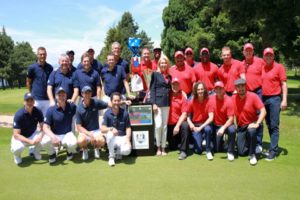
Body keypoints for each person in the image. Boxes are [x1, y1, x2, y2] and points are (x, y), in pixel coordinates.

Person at [232, 79, 266, 166]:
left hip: (252, 124)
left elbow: (263, 111)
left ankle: (252, 155)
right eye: (238, 87)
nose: (241, 88)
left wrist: (257, 123)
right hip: (241, 126)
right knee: (241, 152)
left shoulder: (253, 96)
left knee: (251, 131)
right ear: (236, 88)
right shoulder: (233, 98)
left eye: (242, 86)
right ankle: (251, 144)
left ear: (245, 86)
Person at [262, 47, 288, 161]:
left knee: (274, 125)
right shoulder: (262, 67)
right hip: (263, 99)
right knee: (268, 124)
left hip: (275, 99)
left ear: (273, 56)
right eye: (266, 55)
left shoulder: (279, 67)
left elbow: (284, 84)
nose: (268, 57)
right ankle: (272, 147)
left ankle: (273, 151)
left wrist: (284, 100)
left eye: (270, 55)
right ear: (263, 56)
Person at [42, 87, 77, 164]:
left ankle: (69, 151)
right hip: (55, 134)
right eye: (59, 95)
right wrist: (53, 137)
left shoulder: (71, 106)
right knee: (44, 142)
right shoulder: (51, 110)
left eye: (63, 95)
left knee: (73, 143)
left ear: (66, 96)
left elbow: (81, 110)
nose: (61, 97)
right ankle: (52, 154)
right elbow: (45, 127)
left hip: (67, 134)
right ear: (56, 96)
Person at [242, 43, 265, 154]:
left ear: (253, 51)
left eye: (250, 50)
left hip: (258, 91)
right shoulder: (241, 64)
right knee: (246, 116)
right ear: (243, 52)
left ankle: (258, 144)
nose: (248, 52)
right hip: (247, 93)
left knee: (258, 116)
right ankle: (248, 140)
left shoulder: (260, 61)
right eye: (246, 50)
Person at [11, 93, 44, 165]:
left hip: (32, 134)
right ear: (24, 102)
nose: (29, 103)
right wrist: (30, 141)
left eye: (31, 100)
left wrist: (40, 136)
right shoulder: (19, 114)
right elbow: (16, 135)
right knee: (17, 148)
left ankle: (36, 152)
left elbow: (43, 127)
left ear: (34, 102)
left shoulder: (38, 111)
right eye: (27, 101)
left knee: (45, 139)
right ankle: (17, 155)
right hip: (20, 137)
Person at [76, 86, 108, 160]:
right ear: (82, 94)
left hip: (96, 130)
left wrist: (122, 102)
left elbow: (109, 104)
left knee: (102, 141)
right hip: (85, 131)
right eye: (85, 93)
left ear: (91, 94)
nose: (87, 94)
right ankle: (84, 149)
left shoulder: (96, 102)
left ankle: (96, 147)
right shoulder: (79, 108)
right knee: (80, 141)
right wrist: (89, 134)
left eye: (89, 93)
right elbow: (79, 127)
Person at [149, 55, 172, 156]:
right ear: (159, 64)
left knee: (164, 126)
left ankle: (163, 147)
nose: (163, 64)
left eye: (165, 63)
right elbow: (152, 89)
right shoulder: (155, 74)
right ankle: (158, 146)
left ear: (167, 64)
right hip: (157, 103)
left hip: (166, 103)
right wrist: (153, 103)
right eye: (162, 63)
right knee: (158, 126)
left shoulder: (169, 76)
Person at [101, 92, 132, 167]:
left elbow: (128, 128)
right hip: (113, 138)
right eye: (115, 100)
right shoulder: (107, 113)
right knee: (109, 134)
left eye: (118, 100)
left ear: (120, 101)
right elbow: (102, 129)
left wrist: (128, 139)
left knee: (128, 150)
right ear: (111, 101)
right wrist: (111, 128)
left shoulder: (125, 113)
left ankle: (117, 152)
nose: (116, 103)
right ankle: (111, 157)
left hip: (122, 137)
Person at [186, 82, 214, 160]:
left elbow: (211, 117)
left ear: (204, 90)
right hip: (195, 125)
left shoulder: (208, 100)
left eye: (202, 89)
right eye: (198, 89)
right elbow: (187, 116)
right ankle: (202, 141)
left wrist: (201, 127)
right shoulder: (192, 100)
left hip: (205, 125)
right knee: (198, 151)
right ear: (196, 91)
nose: (200, 91)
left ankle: (208, 150)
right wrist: (191, 124)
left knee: (208, 129)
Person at [210, 81, 236, 161]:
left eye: (220, 88)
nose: (218, 90)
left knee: (232, 130)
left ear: (224, 89)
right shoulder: (211, 99)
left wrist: (223, 128)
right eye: (216, 89)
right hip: (216, 125)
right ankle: (223, 142)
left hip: (227, 125)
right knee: (217, 149)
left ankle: (230, 151)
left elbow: (231, 119)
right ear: (214, 90)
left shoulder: (229, 100)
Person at [26, 46, 53, 116]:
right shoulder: (32, 68)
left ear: (46, 55)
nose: (42, 56)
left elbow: (51, 83)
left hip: (47, 99)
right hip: (36, 99)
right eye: (40, 54)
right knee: (34, 121)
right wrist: (31, 93)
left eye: (44, 54)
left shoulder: (50, 68)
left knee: (46, 122)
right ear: (37, 55)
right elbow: (28, 81)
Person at [167, 78, 190, 160]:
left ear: (180, 85)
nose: (175, 86)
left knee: (185, 125)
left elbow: (184, 114)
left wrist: (177, 126)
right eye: (173, 84)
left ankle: (183, 151)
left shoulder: (183, 96)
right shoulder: (167, 94)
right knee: (172, 147)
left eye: (177, 84)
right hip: (169, 125)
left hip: (178, 125)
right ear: (171, 85)